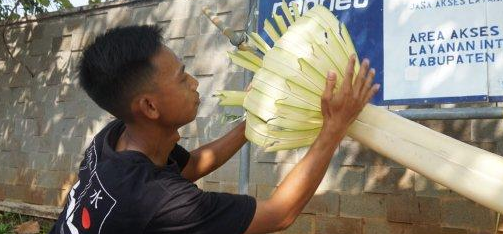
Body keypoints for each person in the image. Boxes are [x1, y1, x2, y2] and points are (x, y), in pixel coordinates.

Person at [49, 25, 379, 234]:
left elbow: (189, 166)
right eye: (182, 77)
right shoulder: (154, 198)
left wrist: (250, 124)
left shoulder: (116, 137)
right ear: (149, 107)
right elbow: (278, 215)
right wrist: (333, 128)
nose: (194, 83)